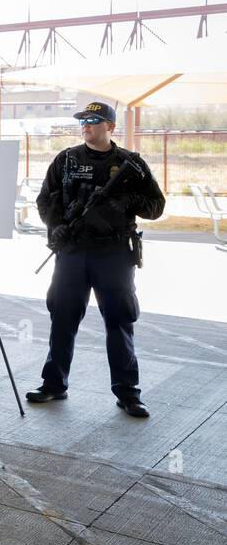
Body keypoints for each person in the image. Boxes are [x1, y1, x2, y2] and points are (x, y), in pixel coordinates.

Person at [29, 101, 165, 418]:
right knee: (62, 317)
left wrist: (126, 200)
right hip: (73, 251)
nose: (86, 125)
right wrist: (57, 227)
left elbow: (156, 206)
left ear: (110, 127)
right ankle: (53, 385)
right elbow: (45, 199)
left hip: (114, 253)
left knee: (119, 321)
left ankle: (129, 394)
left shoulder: (130, 163)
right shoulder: (66, 159)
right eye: (83, 121)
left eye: (94, 120)